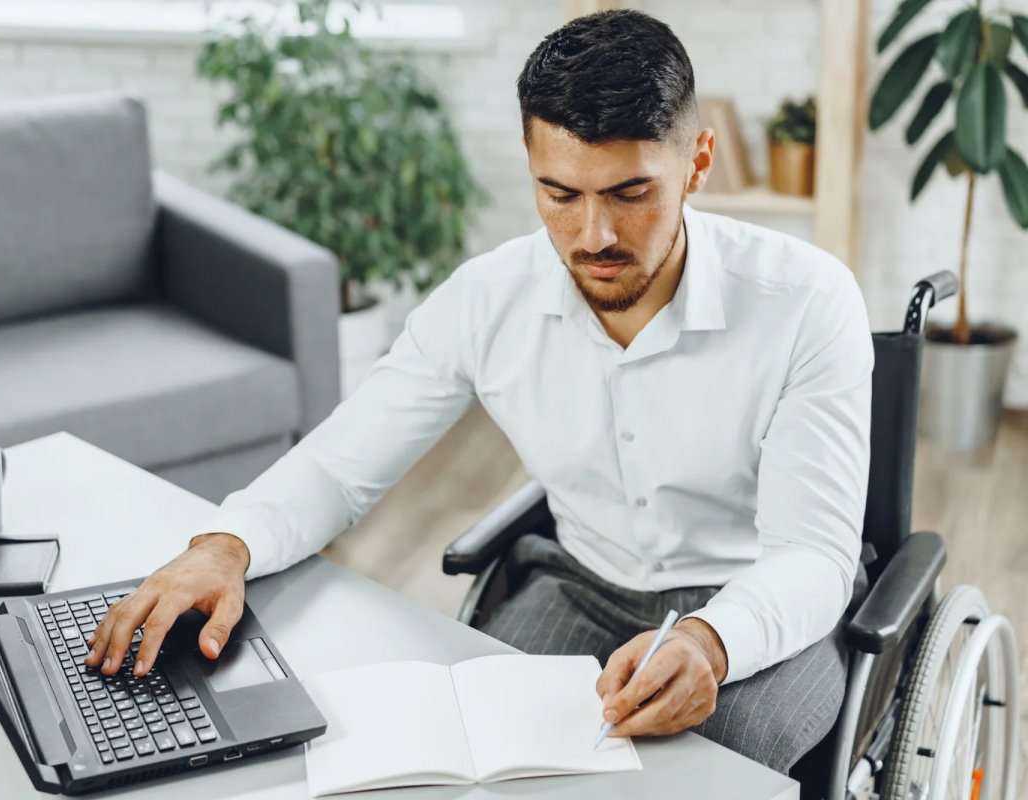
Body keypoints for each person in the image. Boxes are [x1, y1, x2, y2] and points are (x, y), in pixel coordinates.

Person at [86, 9, 873, 774]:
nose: (594, 234)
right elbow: (339, 465)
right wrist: (225, 546)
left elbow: (811, 554)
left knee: (696, 782)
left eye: (630, 194)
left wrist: (711, 639)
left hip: (758, 601)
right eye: (560, 194)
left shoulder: (806, 299)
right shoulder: (484, 299)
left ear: (697, 164)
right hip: (580, 581)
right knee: (476, 766)